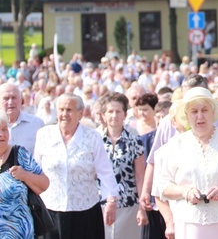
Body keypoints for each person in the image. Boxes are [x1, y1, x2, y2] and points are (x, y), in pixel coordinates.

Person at [155, 87, 218, 238]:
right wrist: (186, 192)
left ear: (213, 113)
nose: (200, 116)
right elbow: (163, 185)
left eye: (204, 110)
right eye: (194, 111)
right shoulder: (176, 144)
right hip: (189, 223)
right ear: (186, 115)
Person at [34, 93, 119, 239]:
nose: (64, 114)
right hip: (51, 210)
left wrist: (111, 200)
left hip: (85, 211)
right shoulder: (44, 135)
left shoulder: (92, 137)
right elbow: (36, 171)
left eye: (69, 110)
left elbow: (105, 171)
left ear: (80, 114)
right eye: (61, 109)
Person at [99, 92, 147, 239]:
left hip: (128, 204)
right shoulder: (96, 140)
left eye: (118, 111)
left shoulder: (134, 141)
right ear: (103, 115)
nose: (114, 115)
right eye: (110, 111)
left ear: (125, 115)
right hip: (101, 204)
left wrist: (142, 207)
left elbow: (140, 176)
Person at [0, 110, 50, 239]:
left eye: (4, 129)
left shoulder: (19, 154)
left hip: (20, 233)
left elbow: (44, 184)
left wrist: (25, 176)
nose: (2, 134)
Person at [0, 83, 44, 153]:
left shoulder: (36, 124)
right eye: (6, 98)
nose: (10, 102)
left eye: (14, 97)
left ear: (21, 100)